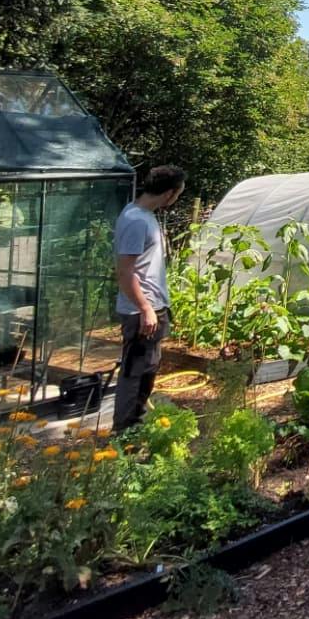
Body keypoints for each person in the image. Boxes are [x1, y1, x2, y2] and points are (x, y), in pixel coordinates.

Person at [112, 165, 186, 431]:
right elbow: (125, 271)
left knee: (146, 372)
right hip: (141, 312)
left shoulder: (141, 215)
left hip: (150, 309)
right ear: (169, 193)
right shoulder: (137, 221)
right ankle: (125, 434)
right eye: (178, 194)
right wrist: (145, 308)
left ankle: (134, 430)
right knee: (135, 375)